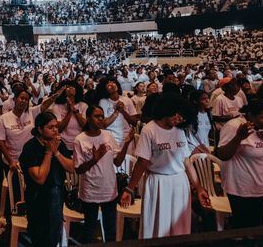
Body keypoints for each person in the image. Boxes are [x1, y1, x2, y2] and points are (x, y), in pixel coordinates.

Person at [120, 93, 210, 239]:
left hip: (180, 183)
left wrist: (199, 187)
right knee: (158, 227)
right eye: (178, 115)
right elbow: (142, 162)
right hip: (158, 182)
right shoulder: (149, 130)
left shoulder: (179, 130)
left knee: (180, 227)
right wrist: (130, 188)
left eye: (183, 118)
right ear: (168, 109)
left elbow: (186, 161)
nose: (179, 119)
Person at [74, 105, 134, 243]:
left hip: (108, 187)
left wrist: (126, 143)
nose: (101, 119)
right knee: (89, 227)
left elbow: (118, 162)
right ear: (88, 118)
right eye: (97, 116)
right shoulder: (80, 139)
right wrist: (94, 160)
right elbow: (78, 169)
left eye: (102, 116)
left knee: (110, 229)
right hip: (90, 189)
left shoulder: (107, 135)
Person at [216, 100, 263, 228]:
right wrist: (239, 137)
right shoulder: (234, 126)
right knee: (243, 228)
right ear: (250, 116)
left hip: (261, 185)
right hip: (241, 187)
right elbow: (222, 155)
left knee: (255, 225)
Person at [19, 112, 74, 247]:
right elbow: (40, 178)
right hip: (38, 200)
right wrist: (49, 152)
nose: (55, 130)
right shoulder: (30, 147)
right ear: (39, 129)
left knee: (54, 236)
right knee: (40, 238)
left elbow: (72, 168)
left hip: (57, 197)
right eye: (50, 127)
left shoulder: (58, 144)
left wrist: (56, 152)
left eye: (56, 126)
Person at [96, 77, 138, 147]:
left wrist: (123, 111)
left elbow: (134, 122)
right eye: (108, 84)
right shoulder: (103, 102)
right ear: (104, 89)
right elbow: (104, 124)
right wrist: (116, 111)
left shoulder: (127, 100)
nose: (112, 85)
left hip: (127, 137)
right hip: (111, 138)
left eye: (113, 82)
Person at [50, 80, 86, 155]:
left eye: (72, 96)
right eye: (68, 96)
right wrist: (70, 112)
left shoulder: (83, 106)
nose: (70, 98)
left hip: (80, 143)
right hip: (63, 144)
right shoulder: (57, 107)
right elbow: (59, 128)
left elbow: (85, 125)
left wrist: (75, 111)